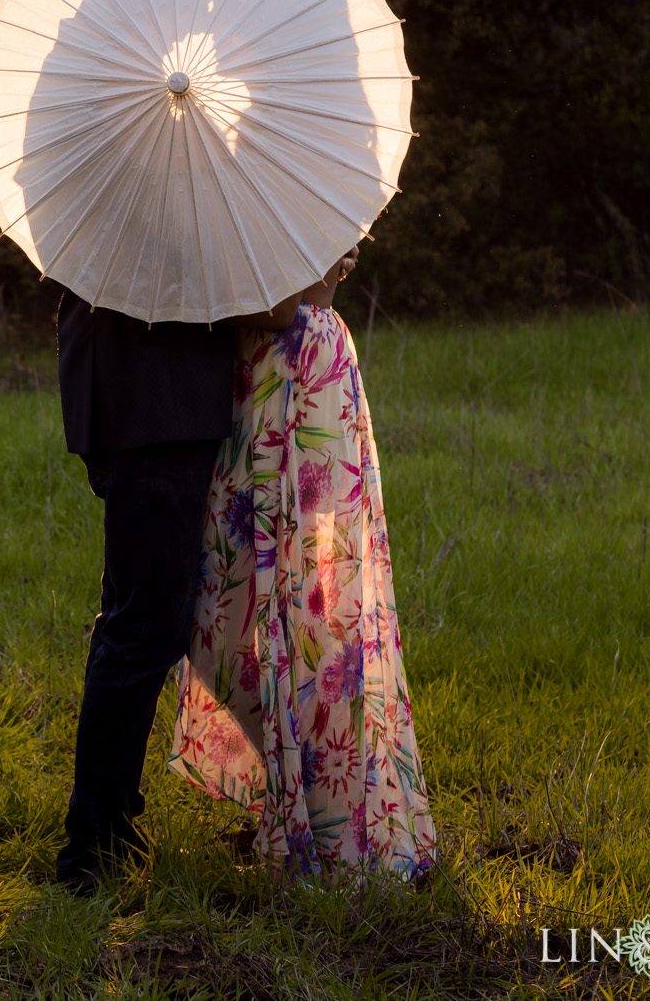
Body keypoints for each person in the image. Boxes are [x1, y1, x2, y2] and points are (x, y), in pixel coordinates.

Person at [167, 247, 437, 878]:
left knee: (309, 600)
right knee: (233, 614)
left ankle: (323, 810)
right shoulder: (244, 186)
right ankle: (299, 793)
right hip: (262, 386)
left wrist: (200, 305)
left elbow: (290, 303)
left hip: (299, 378)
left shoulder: (280, 172)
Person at [50, 274, 301, 891]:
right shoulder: (174, 190)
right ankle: (91, 850)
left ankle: (105, 823)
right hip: (154, 416)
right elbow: (265, 308)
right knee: (144, 629)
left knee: (132, 619)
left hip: (136, 408)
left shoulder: (136, 192)